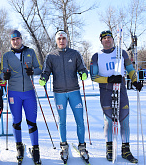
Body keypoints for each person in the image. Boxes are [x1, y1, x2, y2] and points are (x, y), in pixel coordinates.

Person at [90, 30, 143, 163]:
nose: (107, 40)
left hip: (121, 90)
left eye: (109, 37)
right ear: (101, 41)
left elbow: (130, 69)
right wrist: (108, 79)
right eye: (104, 38)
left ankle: (126, 150)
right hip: (106, 91)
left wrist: (135, 81)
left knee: (124, 119)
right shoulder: (96, 56)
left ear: (113, 39)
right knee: (108, 121)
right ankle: (109, 148)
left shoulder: (121, 53)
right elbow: (93, 76)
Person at [39, 30, 89, 162]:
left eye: (64, 38)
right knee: (62, 121)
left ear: (67, 40)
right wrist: (43, 78)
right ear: (56, 40)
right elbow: (46, 71)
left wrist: (84, 74)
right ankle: (64, 145)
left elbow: (82, 68)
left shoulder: (75, 53)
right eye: (59, 38)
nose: (61, 41)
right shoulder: (51, 56)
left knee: (80, 120)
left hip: (74, 92)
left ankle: (82, 145)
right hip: (59, 93)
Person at [0, 30, 42, 164]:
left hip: (29, 92)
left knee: (31, 121)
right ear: (10, 41)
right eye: (13, 40)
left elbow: (39, 69)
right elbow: (1, 73)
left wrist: (33, 71)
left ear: (21, 39)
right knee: (16, 120)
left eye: (18, 39)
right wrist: (4, 76)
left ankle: (35, 149)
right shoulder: (6, 55)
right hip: (14, 93)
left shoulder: (30, 52)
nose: (16, 41)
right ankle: (19, 146)